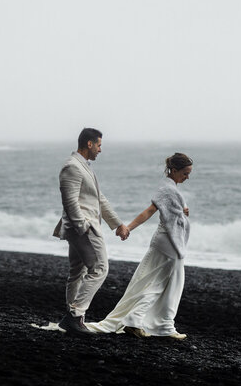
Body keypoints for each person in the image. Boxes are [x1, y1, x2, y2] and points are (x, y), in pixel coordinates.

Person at [87, 153, 193, 340]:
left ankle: (162, 324)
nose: (187, 177)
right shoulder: (168, 189)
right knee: (163, 284)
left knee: (165, 283)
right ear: (174, 170)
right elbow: (149, 212)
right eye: (185, 173)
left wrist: (182, 212)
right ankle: (146, 322)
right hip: (168, 242)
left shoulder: (169, 188)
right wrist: (128, 227)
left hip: (166, 241)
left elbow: (167, 212)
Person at [53, 128, 130, 335]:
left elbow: (99, 199)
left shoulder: (83, 166)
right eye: (99, 145)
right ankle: (75, 316)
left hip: (80, 228)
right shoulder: (72, 167)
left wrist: (118, 224)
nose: (100, 150)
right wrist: (82, 227)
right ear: (89, 144)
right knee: (100, 268)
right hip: (83, 228)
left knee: (77, 272)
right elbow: (69, 202)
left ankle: (73, 318)